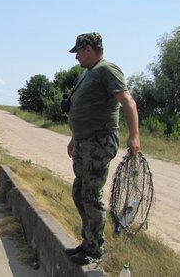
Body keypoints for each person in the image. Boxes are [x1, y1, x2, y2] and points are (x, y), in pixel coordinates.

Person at [65, 33, 140, 265]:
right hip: (83, 142)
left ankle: (95, 250)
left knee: (91, 196)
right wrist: (74, 138)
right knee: (79, 193)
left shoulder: (108, 70)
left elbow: (128, 101)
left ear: (88, 48)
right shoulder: (87, 73)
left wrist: (134, 136)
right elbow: (82, 109)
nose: (76, 57)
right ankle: (88, 240)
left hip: (99, 142)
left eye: (78, 51)